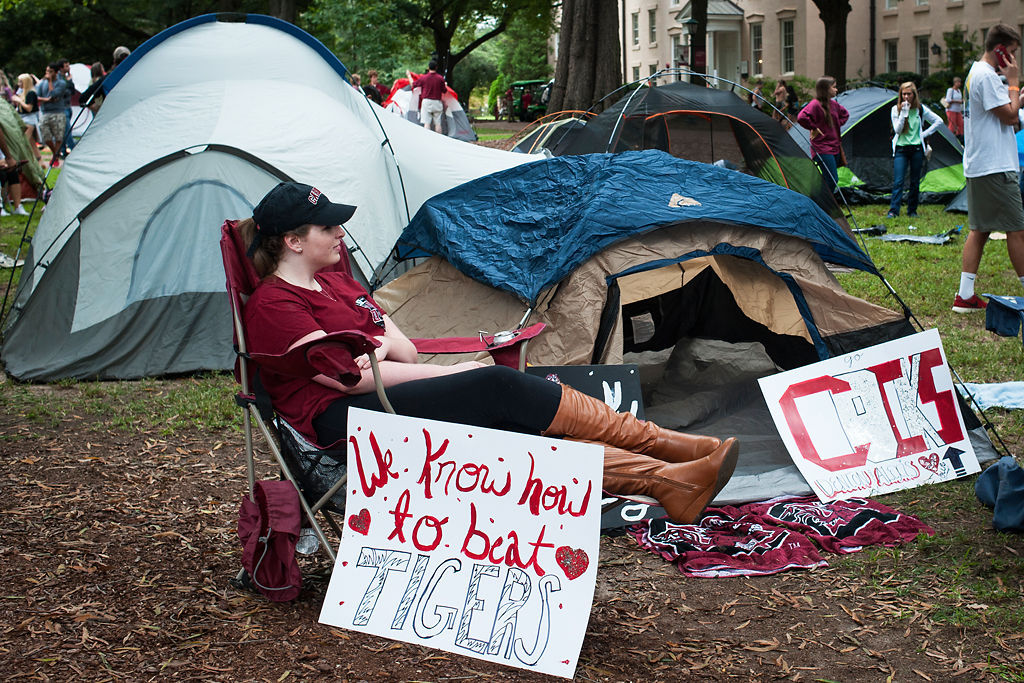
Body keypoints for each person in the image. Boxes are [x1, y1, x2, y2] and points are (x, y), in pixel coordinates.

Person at [240, 181, 740, 523]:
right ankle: (671, 456)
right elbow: (345, 378)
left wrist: (379, 349)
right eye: (327, 228)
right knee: (492, 384)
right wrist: (439, 373)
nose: (340, 234)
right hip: (337, 423)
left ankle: (670, 478)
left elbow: (404, 351)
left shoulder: (336, 285)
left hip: (373, 393)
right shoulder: (274, 305)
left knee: (505, 422)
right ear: (293, 241)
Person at [953, 24, 1024, 313]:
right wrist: (1015, 81)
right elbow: (1010, 116)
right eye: (1014, 52)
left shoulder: (976, 74)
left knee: (980, 229)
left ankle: (965, 295)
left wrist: (1015, 92)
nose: (1015, 58)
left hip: (981, 163)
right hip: (995, 166)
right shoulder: (988, 77)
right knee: (1018, 229)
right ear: (1001, 50)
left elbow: (1008, 114)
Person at [887, 82, 943, 218]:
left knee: (914, 181)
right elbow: (898, 130)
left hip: (917, 148)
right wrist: (903, 114)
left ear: (914, 95)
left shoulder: (920, 109)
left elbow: (939, 121)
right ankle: (894, 210)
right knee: (899, 181)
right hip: (901, 148)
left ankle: (912, 210)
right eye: (903, 94)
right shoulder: (896, 109)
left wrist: (923, 134)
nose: (906, 97)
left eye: (909, 94)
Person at [796, 76, 849, 194]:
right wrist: (813, 127)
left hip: (835, 147)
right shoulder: (815, 104)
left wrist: (836, 125)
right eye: (834, 87)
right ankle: (824, 205)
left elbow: (845, 114)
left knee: (827, 179)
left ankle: (817, 201)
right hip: (822, 149)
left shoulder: (834, 104)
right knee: (832, 179)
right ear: (825, 89)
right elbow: (801, 117)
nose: (836, 90)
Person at [35, 62, 69, 166]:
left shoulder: (61, 83)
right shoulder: (42, 84)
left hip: (58, 112)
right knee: (46, 136)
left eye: (50, 72)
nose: (48, 73)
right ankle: (56, 154)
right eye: (47, 71)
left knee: (58, 137)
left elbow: (54, 94)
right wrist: (47, 99)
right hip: (45, 112)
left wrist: (50, 82)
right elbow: (37, 97)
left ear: (56, 72)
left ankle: (55, 158)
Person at [407, 61, 446, 133]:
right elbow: (444, 91)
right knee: (438, 124)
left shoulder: (424, 78)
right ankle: (439, 140)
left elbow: (413, 85)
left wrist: (409, 75)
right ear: (436, 68)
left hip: (426, 102)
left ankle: (427, 139)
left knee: (427, 123)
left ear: (428, 68)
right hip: (437, 102)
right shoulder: (440, 78)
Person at [12, 73, 41, 162]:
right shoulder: (22, 92)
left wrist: (19, 101)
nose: (19, 84)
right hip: (24, 118)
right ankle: (40, 161)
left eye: (21, 82)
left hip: (29, 120)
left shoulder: (31, 93)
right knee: (31, 142)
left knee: (24, 142)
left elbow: (29, 108)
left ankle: (28, 161)